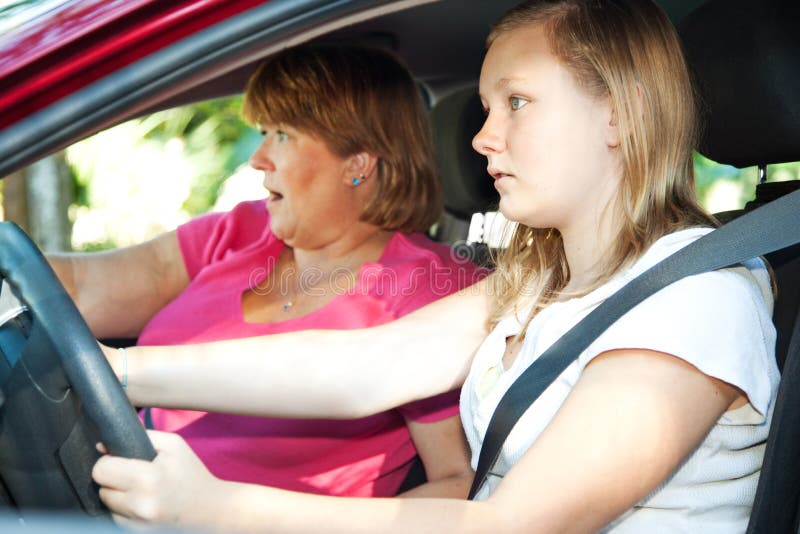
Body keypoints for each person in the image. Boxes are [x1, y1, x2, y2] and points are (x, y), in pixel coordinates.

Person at [91, 0, 779, 532]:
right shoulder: (539, 282)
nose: (482, 137)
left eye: (516, 101)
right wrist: (119, 372)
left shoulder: (696, 300)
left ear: (619, 115)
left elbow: (511, 525)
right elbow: (365, 367)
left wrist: (219, 510)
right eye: (486, 108)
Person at [50, 44, 487, 499]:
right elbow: (81, 288)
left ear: (357, 162)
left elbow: (458, 483)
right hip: (108, 485)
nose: (257, 157)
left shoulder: (432, 295)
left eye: (282, 134)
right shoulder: (244, 229)